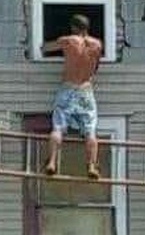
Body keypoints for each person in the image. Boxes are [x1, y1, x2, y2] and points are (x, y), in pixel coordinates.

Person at [42, 14, 103, 179]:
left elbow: (45, 48)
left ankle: (52, 162)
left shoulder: (68, 41)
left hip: (68, 88)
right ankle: (91, 165)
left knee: (58, 128)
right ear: (87, 28)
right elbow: (96, 67)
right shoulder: (97, 45)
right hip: (85, 90)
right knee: (90, 131)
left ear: (73, 27)